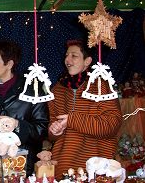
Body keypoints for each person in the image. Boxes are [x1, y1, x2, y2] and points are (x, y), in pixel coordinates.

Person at [47, 40, 123, 180]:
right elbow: (52, 130)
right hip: (64, 164)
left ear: (87, 61)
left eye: (74, 56)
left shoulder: (102, 86)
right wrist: (54, 130)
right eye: (66, 55)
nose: (67, 60)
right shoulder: (57, 89)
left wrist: (72, 119)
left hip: (96, 164)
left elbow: (112, 125)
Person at [0, 40, 49, 176]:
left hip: (23, 165)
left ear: (10, 64)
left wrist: (18, 125)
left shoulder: (32, 90)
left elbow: (41, 129)